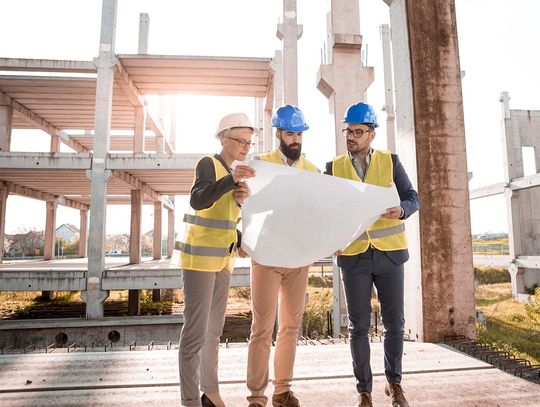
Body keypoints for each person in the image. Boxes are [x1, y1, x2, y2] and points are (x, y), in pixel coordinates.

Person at [324, 102, 419, 407]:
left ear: (372, 134)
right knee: (359, 327)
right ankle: (364, 390)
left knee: (394, 324)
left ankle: (394, 383)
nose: (351, 136)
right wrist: (331, 239)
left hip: (389, 254)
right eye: (348, 131)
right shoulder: (333, 167)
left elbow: (412, 197)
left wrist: (401, 210)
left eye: (358, 131)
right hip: (354, 257)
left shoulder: (390, 162)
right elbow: (325, 209)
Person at [178, 112, 257, 407]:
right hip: (199, 261)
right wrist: (230, 180)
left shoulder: (233, 173)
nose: (245, 146)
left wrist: (239, 239)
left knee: (213, 332)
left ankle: (210, 392)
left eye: (249, 142)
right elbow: (198, 200)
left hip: (223, 262)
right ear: (223, 137)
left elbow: (223, 222)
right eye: (240, 140)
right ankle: (190, 401)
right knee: (195, 334)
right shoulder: (208, 164)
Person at [246, 104, 319, 407]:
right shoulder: (260, 164)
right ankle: (256, 396)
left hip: (298, 258)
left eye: (300, 134)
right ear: (278, 134)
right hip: (266, 256)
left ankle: (282, 391)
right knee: (262, 328)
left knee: (290, 327)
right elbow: (246, 205)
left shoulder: (312, 170)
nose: (296, 140)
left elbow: (319, 212)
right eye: (291, 133)